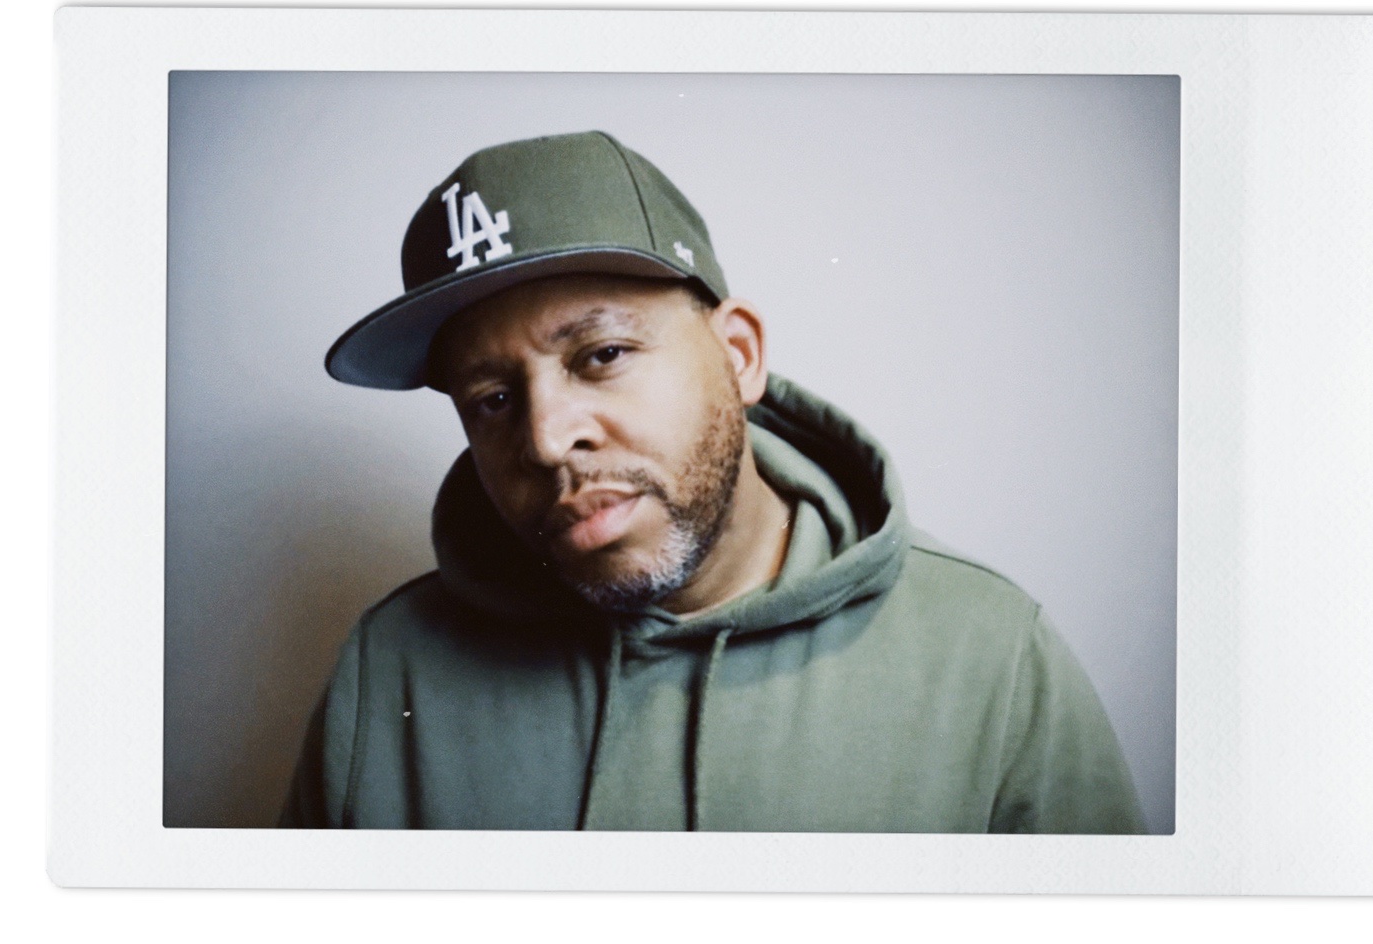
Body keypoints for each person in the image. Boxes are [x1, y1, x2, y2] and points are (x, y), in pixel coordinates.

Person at [281, 130, 1147, 833]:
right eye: (493, 399)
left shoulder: (991, 657)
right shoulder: (389, 669)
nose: (546, 440)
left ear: (738, 356)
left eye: (602, 354)